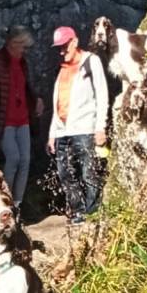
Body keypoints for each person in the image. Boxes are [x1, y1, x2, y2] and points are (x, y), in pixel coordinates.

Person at [0, 25, 44, 215]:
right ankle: (4, 200)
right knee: (13, 158)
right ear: (13, 43)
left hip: (23, 119)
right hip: (4, 120)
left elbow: (26, 88)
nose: (25, 50)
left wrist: (36, 100)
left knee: (25, 160)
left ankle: (18, 204)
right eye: (23, 46)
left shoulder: (23, 63)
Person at [47, 25, 108, 224]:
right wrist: (52, 133)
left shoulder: (91, 61)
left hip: (85, 128)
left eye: (64, 46)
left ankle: (93, 215)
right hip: (62, 130)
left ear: (74, 42)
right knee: (65, 173)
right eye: (59, 47)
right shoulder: (61, 68)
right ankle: (77, 213)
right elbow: (57, 102)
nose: (61, 51)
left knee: (88, 173)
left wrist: (100, 127)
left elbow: (102, 94)